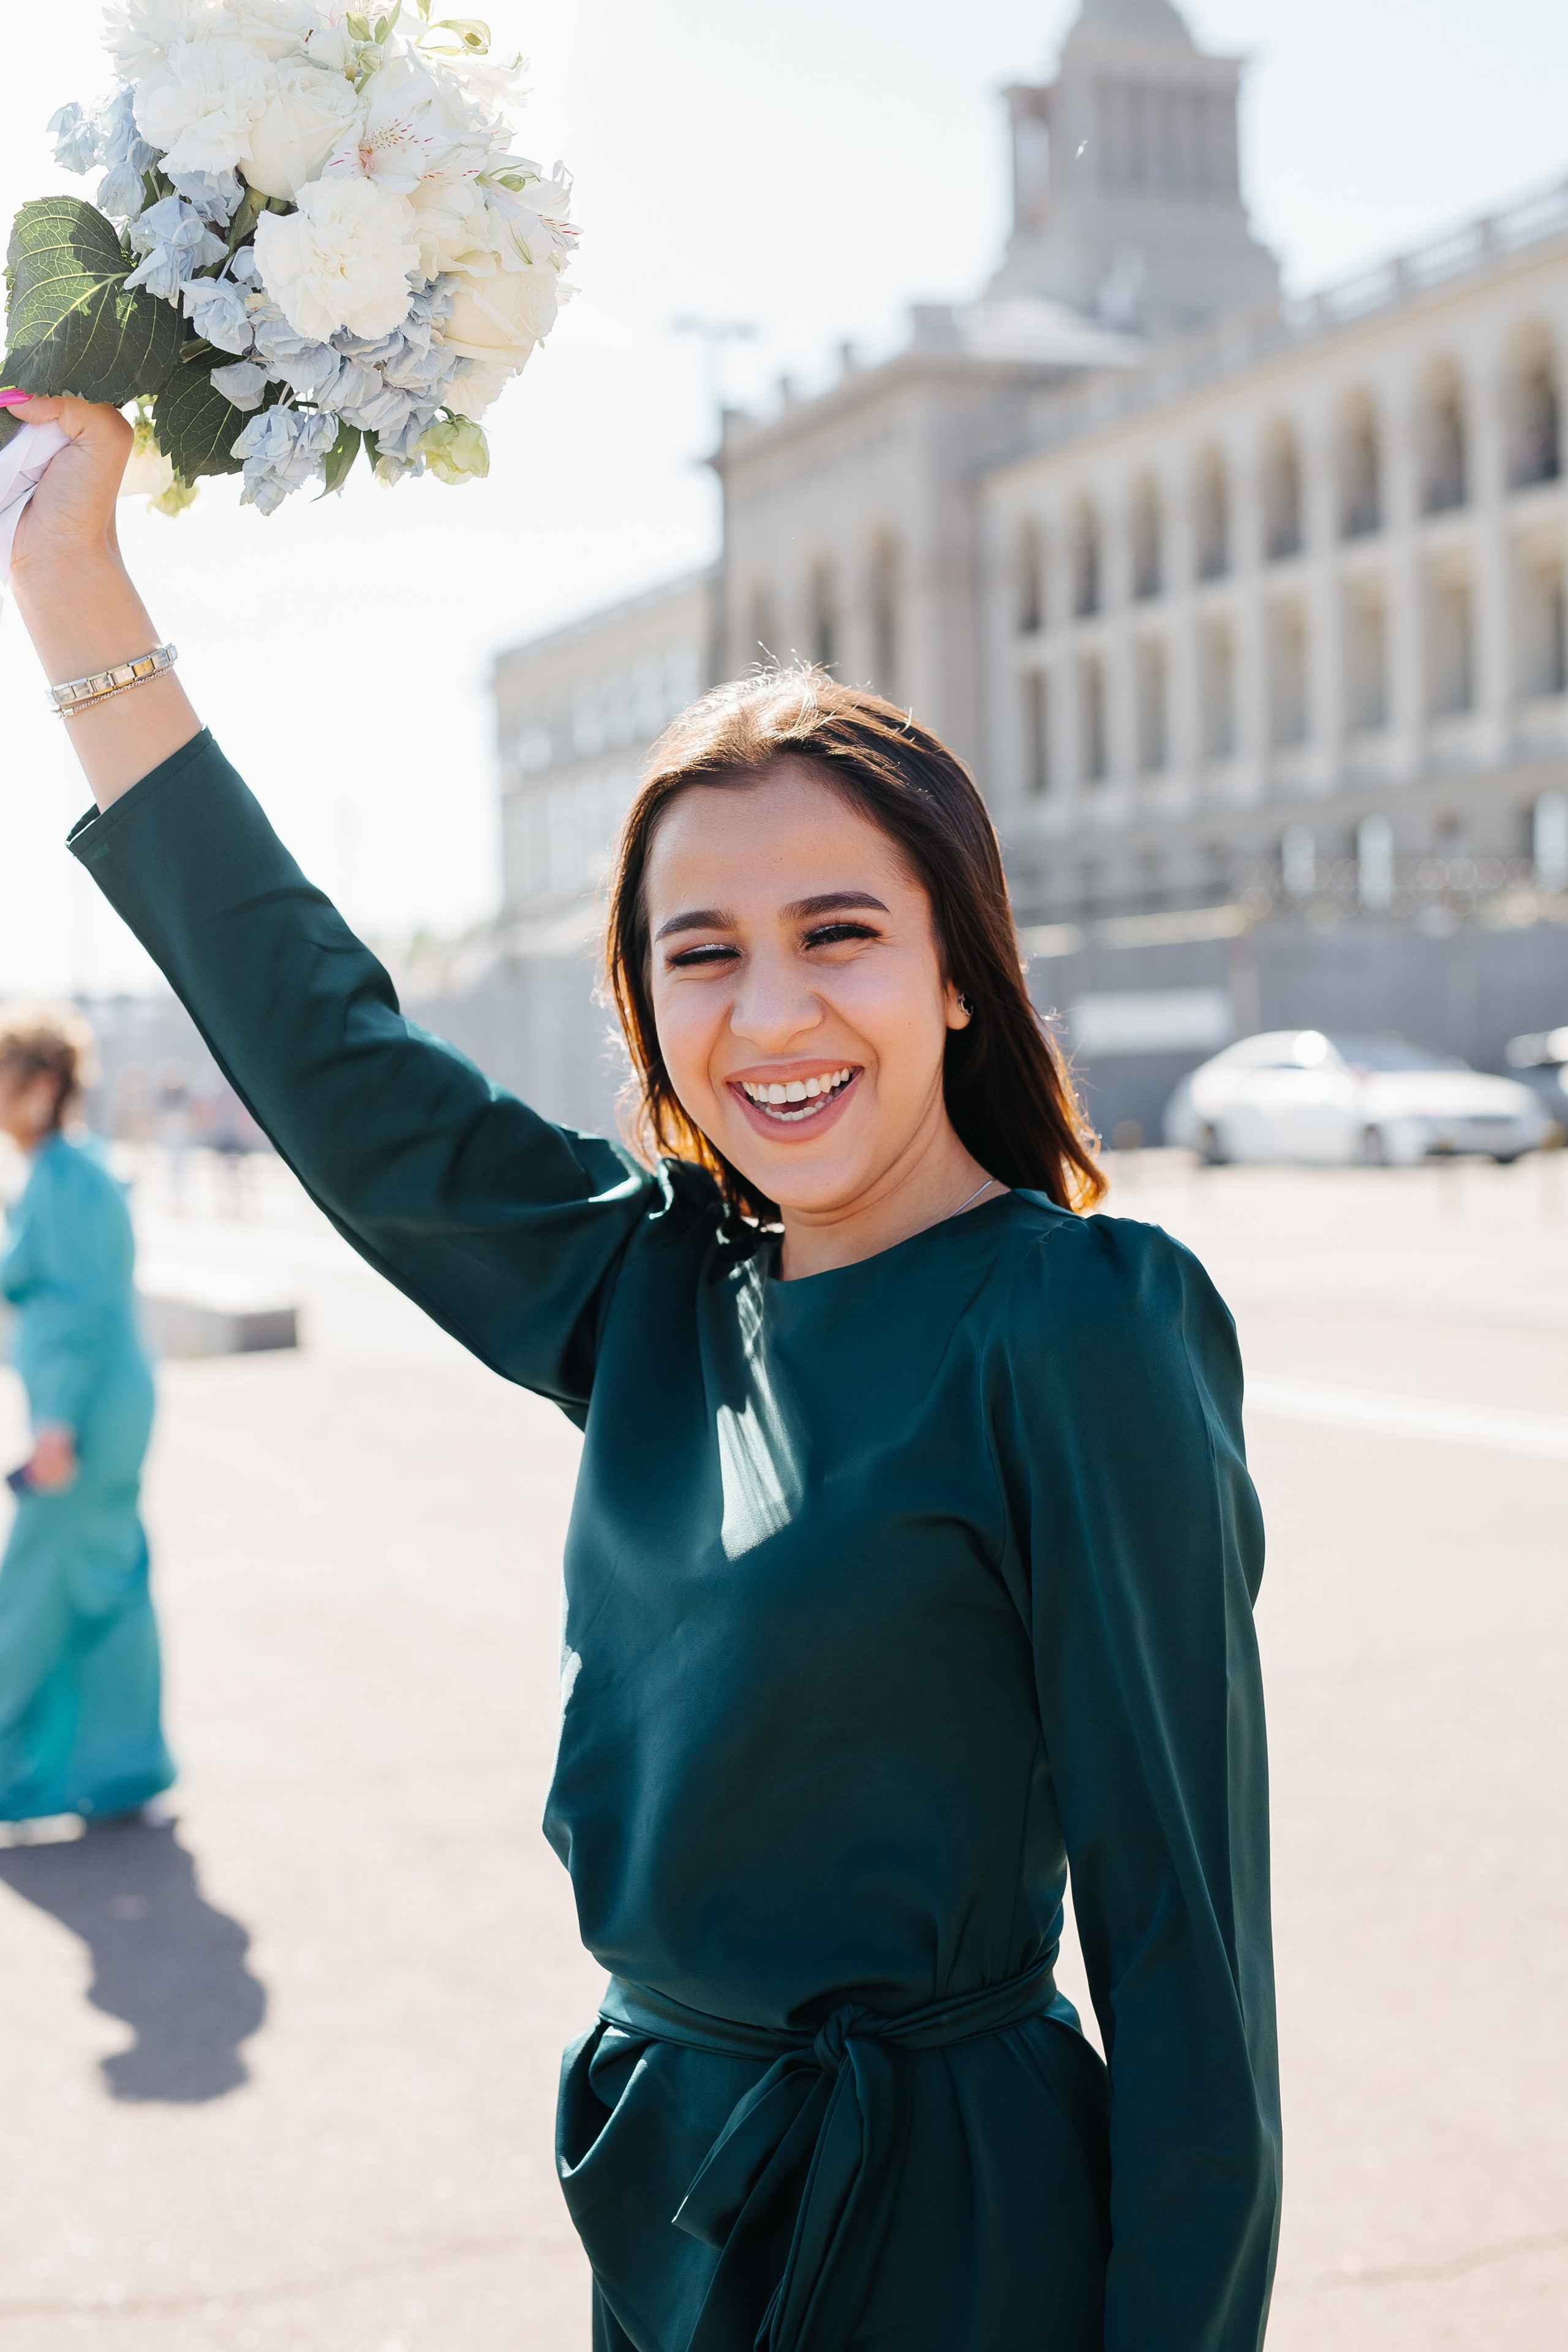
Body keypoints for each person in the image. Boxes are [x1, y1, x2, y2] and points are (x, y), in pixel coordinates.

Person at [5, 394, 1280, 2350]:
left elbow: (1189, 1950)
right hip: (667, 2189)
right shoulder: (656, 1288)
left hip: (950, 2219)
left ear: (960, 968)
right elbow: (331, 1055)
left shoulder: (1078, 1321)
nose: (771, 1013)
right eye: (703, 955)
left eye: (839, 934)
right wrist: (69, 578)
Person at [0, 999, 173, 1826]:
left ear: (40, 1085)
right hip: (111, 1402)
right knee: (105, 1579)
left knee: (36, 1582)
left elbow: (74, 1311)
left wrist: (55, 1426)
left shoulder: (63, 1179)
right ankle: (118, 1767)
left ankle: (23, 1763)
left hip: (88, 1411)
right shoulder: (76, 1169)